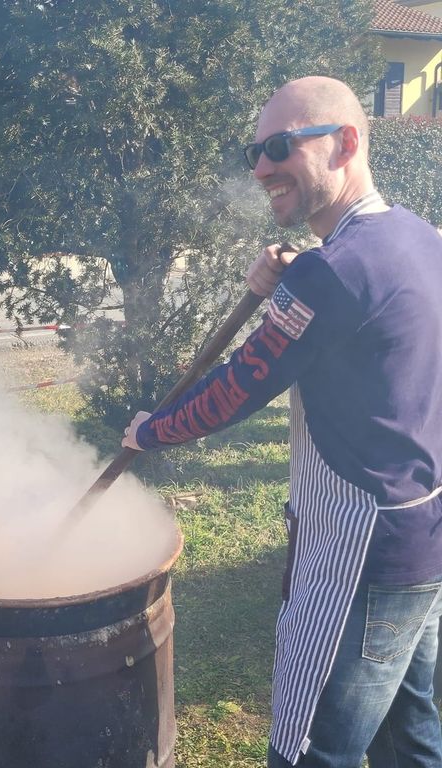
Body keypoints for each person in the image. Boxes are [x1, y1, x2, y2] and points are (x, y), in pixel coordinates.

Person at [122, 76, 442, 767]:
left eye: (280, 146)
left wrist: (150, 430)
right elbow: (364, 319)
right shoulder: (419, 238)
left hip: (360, 553)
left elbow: (237, 389)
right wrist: (297, 277)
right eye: (254, 152)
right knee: (409, 738)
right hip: (421, 538)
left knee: (309, 751)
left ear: (345, 143)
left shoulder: (330, 275)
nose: (262, 167)